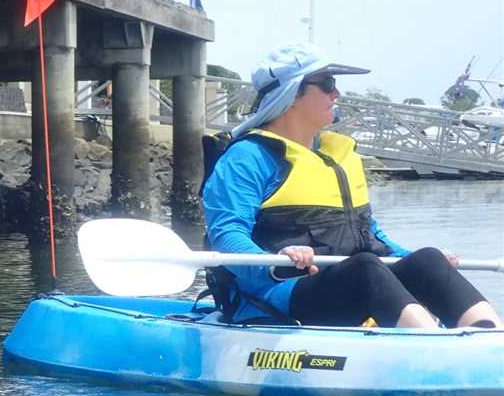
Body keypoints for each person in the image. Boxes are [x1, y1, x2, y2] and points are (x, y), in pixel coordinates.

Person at [201, 43, 503, 329]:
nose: (338, 93)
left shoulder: (339, 156)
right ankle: (436, 348)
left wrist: (412, 257)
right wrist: (274, 263)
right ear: (292, 94)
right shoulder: (246, 158)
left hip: (352, 282)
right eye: (328, 83)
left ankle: (489, 338)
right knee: (365, 269)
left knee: (427, 260)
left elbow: (370, 235)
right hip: (279, 291)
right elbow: (227, 235)